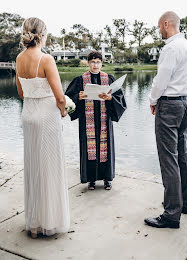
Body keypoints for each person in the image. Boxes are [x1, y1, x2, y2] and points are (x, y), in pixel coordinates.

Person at [16, 17, 70, 238]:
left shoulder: (19, 58)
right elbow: (59, 97)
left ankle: (35, 223)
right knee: (49, 168)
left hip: (28, 116)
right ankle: (49, 223)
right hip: (46, 118)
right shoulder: (46, 59)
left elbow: (21, 93)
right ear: (43, 35)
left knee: (34, 167)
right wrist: (65, 110)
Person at [144, 11, 187, 229]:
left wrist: (152, 100)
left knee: (168, 158)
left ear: (167, 24)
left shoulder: (171, 48)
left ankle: (171, 214)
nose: (159, 31)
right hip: (184, 103)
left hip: (169, 105)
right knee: (181, 154)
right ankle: (183, 201)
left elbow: (161, 80)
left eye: (159, 27)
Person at [65, 51, 126, 190]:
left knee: (105, 149)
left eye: (98, 62)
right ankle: (91, 180)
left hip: (105, 120)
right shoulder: (80, 80)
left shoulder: (109, 79)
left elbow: (120, 99)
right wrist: (78, 97)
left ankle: (106, 180)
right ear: (88, 63)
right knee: (89, 149)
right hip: (88, 122)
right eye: (92, 62)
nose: (95, 65)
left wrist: (110, 98)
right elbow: (68, 99)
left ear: (102, 63)